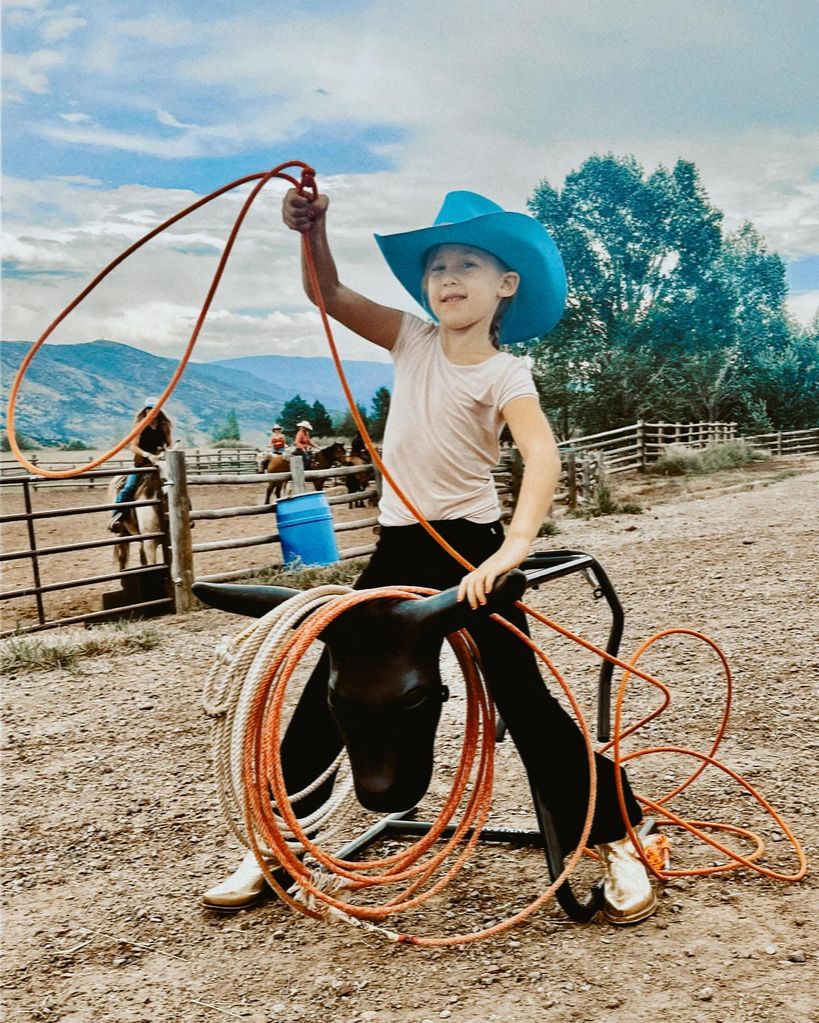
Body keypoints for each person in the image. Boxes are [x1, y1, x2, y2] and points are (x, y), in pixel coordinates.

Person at [203, 188, 662, 923]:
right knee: (335, 684)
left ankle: (619, 837)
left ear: (504, 284)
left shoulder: (505, 372)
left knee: (526, 699)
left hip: (471, 547)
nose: (447, 277)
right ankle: (275, 842)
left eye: (468, 264)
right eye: (437, 266)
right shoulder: (409, 338)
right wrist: (312, 231)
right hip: (396, 548)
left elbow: (539, 453)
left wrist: (512, 547)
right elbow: (326, 291)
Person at [109, 399, 171, 533]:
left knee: (175, 484)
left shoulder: (164, 425)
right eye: (149, 408)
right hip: (141, 464)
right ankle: (116, 517)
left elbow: (169, 444)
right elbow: (133, 447)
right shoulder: (140, 425)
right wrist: (147, 455)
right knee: (128, 488)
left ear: (159, 410)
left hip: (159, 463)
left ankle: (186, 515)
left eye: (154, 408)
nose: (151, 411)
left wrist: (164, 454)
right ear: (145, 410)